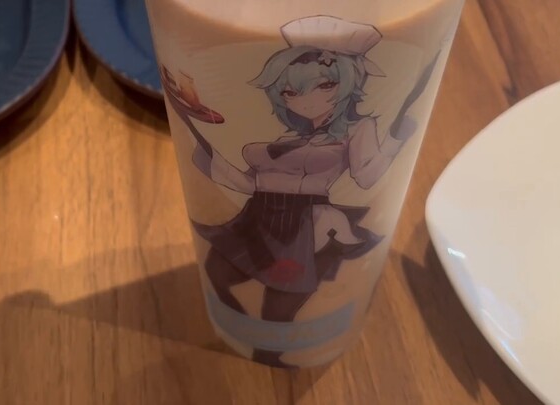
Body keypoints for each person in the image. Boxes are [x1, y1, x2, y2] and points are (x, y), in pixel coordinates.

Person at [162, 15, 439, 367]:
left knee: (279, 307)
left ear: (346, 82)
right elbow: (248, 183)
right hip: (259, 215)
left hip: (306, 225)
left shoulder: (356, 130)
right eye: (290, 92)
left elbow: (369, 176)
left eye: (324, 86)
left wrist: (397, 139)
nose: (302, 100)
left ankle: (273, 353)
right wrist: (203, 148)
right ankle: (246, 332)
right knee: (218, 272)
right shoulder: (290, 137)